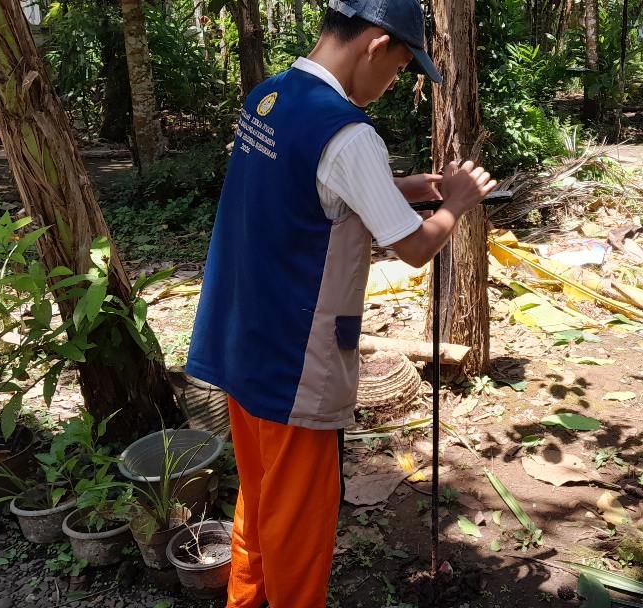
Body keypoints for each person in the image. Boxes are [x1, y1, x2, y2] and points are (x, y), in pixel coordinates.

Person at [185, 0, 497, 605]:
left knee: (258, 495)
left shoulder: (270, 97)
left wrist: (398, 186)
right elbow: (412, 246)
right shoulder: (349, 132)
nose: (392, 84)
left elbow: (300, 186)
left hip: (241, 341)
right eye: (402, 67)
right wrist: (456, 201)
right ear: (376, 46)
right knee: (299, 528)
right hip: (295, 365)